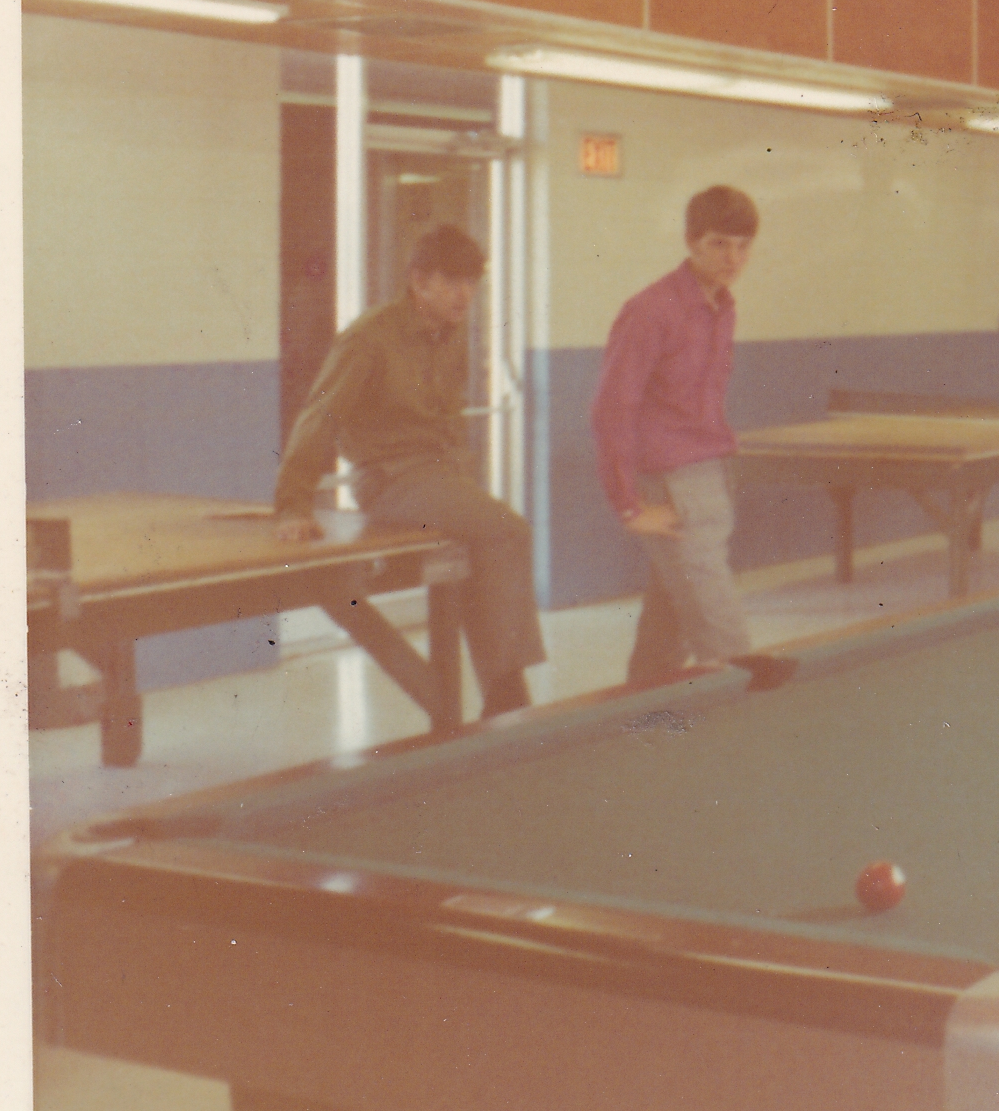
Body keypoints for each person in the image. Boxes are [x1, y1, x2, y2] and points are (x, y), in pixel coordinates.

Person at [273, 224, 543, 717]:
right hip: (390, 479)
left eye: (472, 282)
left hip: (436, 476)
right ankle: (507, 692)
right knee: (508, 530)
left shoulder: (448, 336)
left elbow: (447, 419)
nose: (465, 294)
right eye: (452, 281)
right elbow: (319, 418)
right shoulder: (369, 338)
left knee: (488, 538)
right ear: (419, 282)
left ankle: (500, 691)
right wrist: (293, 505)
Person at [594, 185, 761, 690]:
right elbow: (611, 408)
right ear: (691, 242)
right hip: (669, 487)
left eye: (742, 246)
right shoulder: (650, 310)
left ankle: (638, 725)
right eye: (718, 244)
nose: (732, 258)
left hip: (712, 478)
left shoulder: (723, 307)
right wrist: (628, 505)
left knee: (664, 638)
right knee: (725, 639)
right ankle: (749, 728)